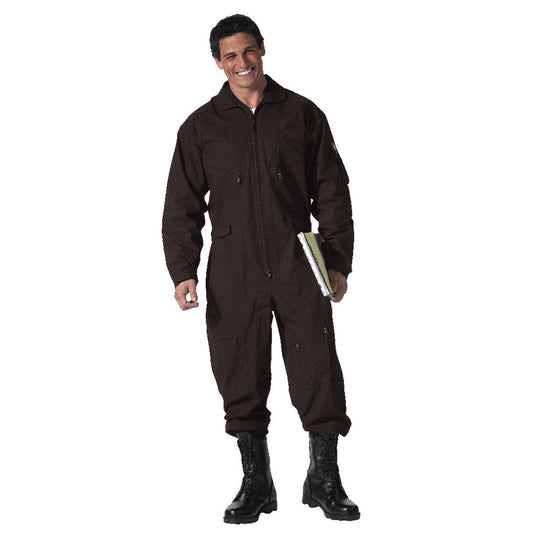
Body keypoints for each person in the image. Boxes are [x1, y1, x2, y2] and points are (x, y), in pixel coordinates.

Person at [162, 14, 360, 524]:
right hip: (234, 267)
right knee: (239, 370)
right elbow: (181, 205)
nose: (242, 62)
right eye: (230, 55)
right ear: (218, 62)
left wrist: (337, 260)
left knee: (317, 367)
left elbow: (332, 191)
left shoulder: (301, 114)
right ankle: (257, 481)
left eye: (248, 51)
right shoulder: (201, 127)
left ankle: (324, 477)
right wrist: (183, 269)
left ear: (263, 49)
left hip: (299, 262)